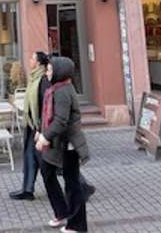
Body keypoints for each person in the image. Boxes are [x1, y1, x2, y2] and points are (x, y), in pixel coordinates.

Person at [36, 57, 91, 233]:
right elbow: (49, 117)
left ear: (59, 71)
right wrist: (41, 132)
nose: (47, 73)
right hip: (58, 143)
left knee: (72, 183)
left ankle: (77, 225)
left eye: (50, 70)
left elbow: (60, 120)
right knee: (47, 172)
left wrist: (45, 136)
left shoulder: (63, 92)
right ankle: (62, 212)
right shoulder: (56, 89)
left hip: (68, 144)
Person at [9, 51, 51, 200]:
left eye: (32, 58)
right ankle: (27, 189)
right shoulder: (34, 79)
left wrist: (40, 129)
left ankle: (81, 186)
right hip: (32, 125)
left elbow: (46, 107)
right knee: (30, 156)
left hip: (40, 128)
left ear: (38, 63)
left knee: (56, 161)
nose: (29, 60)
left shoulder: (43, 81)